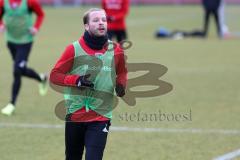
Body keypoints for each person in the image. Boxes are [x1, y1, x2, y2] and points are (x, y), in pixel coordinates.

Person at [50, 8, 127, 160]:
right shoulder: (73, 49)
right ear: (86, 26)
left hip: (101, 114)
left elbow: (122, 71)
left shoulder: (116, 50)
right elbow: (55, 76)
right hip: (75, 114)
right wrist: (76, 80)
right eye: (96, 20)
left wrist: (121, 84)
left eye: (103, 20)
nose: (101, 23)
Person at [0, 0, 47, 116]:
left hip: (25, 41)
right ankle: (41, 78)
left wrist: (36, 28)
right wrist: (1, 25)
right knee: (20, 69)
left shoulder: (30, 2)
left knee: (17, 71)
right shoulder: (3, 2)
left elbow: (41, 14)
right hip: (10, 41)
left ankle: (11, 104)